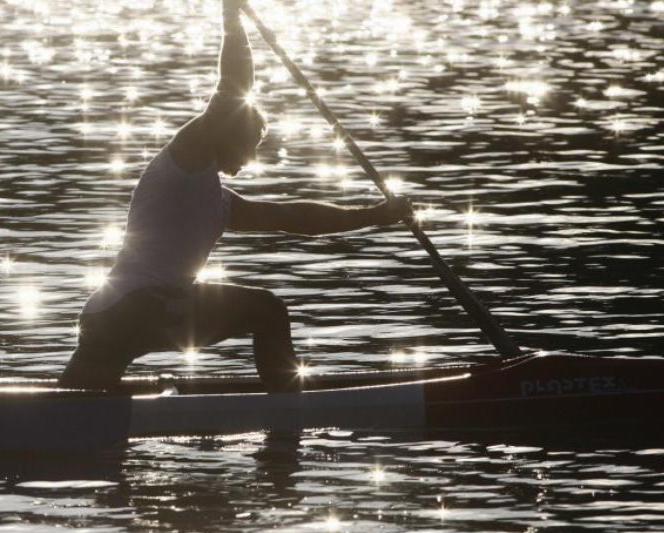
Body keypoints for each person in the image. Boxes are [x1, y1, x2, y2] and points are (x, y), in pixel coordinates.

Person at [59, 0, 408, 392]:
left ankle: (43, 420)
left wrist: (376, 215)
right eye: (250, 144)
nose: (252, 157)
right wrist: (231, 18)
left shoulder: (218, 203)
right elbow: (233, 88)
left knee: (70, 406)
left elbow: (293, 219)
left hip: (107, 315)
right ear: (227, 132)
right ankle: (289, 415)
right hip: (139, 307)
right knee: (267, 310)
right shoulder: (185, 161)